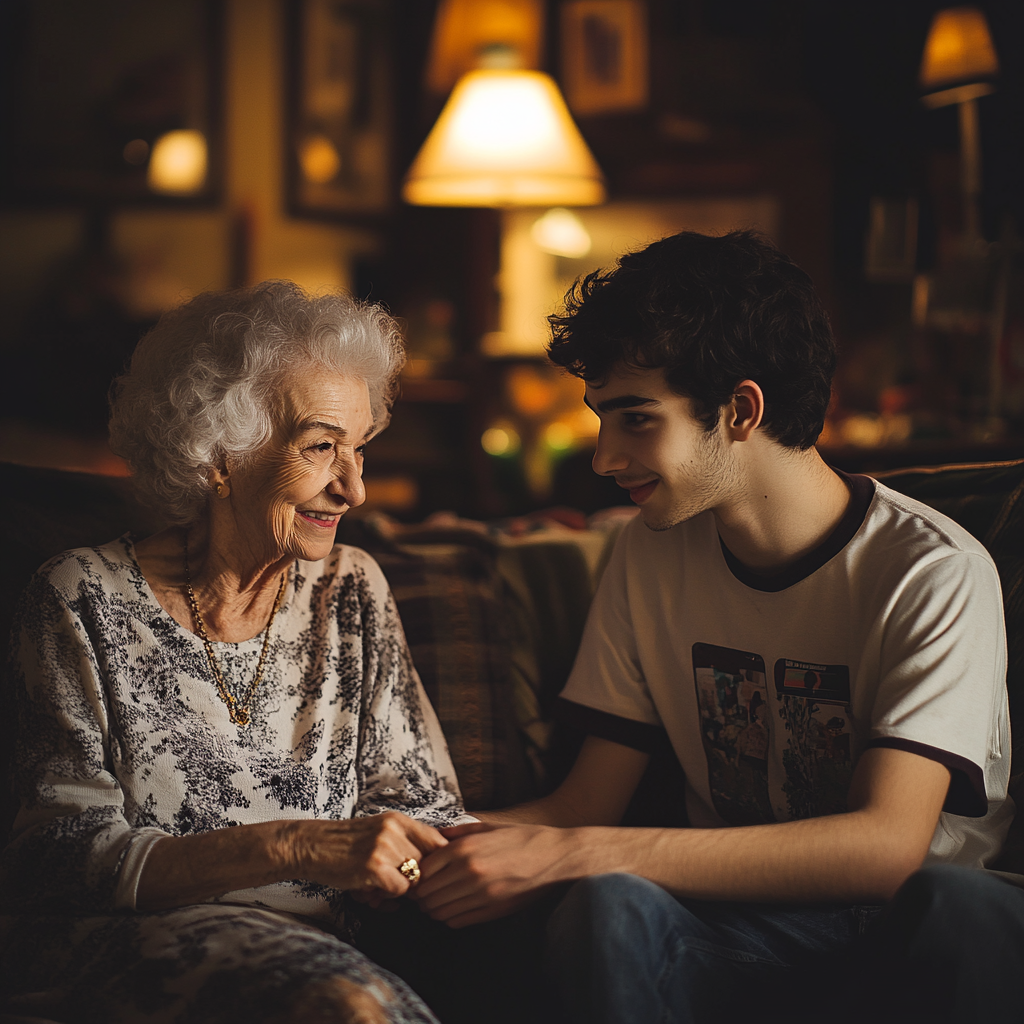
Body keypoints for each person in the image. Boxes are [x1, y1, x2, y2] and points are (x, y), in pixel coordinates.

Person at [411, 231, 1022, 1022]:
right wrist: (399, 840)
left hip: (910, 940)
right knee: (609, 907)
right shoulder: (649, 553)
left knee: (955, 901)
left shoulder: (930, 570)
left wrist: (576, 853)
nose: (603, 458)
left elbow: (886, 848)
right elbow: (582, 805)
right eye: (603, 420)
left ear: (741, 410)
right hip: (740, 934)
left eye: (635, 419)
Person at [0, 282, 469, 1024]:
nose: (354, 488)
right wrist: (298, 848)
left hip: (329, 947)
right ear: (222, 457)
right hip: (131, 943)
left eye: (359, 450)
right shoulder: (80, 596)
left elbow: (422, 807)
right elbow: (62, 856)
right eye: (321, 448)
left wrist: (543, 861)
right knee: (347, 1007)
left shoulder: (350, 589)